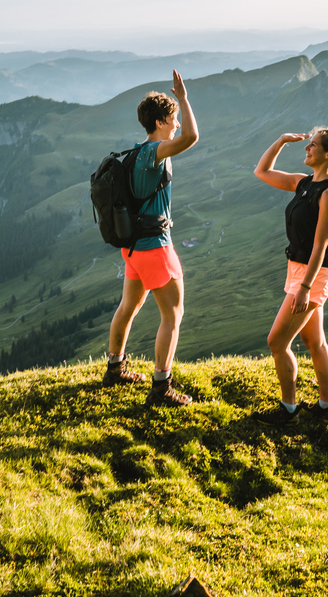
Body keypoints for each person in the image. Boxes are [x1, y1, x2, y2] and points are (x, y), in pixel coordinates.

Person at [101, 70, 200, 407]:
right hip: (155, 248)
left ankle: (115, 368)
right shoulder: (153, 153)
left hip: (133, 249)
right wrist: (184, 98)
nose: (175, 125)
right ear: (159, 122)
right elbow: (191, 137)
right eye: (172, 120)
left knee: (129, 306)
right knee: (173, 315)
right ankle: (161, 387)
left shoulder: (135, 153)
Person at [250, 127, 328, 425]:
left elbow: (322, 244)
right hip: (299, 271)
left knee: (277, 342)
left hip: (315, 276)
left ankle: (288, 410)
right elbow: (263, 171)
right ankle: (326, 408)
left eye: (312, 146)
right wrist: (282, 140)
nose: (306, 149)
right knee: (315, 342)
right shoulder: (304, 183)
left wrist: (305, 287)